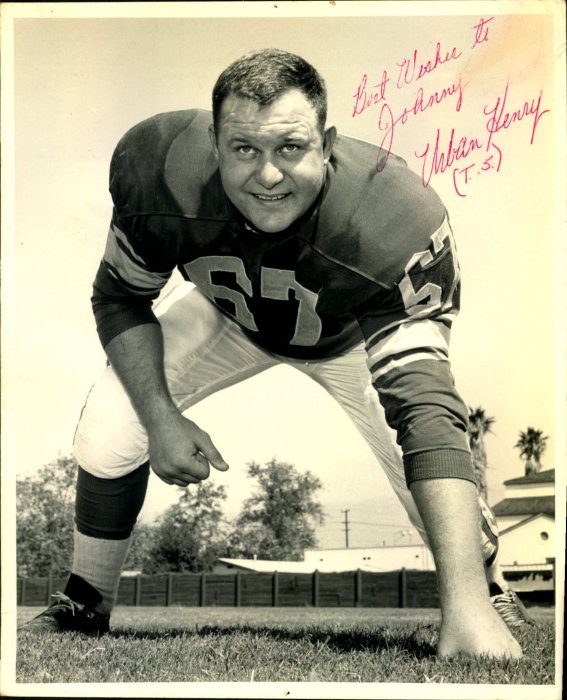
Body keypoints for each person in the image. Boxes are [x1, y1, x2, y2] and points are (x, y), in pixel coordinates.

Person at [22, 49, 532, 656]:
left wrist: (465, 609)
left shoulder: (394, 217)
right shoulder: (162, 167)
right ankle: (86, 598)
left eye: (291, 147)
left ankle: (485, 594)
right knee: (111, 420)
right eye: (244, 149)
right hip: (230, 313)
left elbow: (425, 405)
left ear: (327, 144)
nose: (268, 175)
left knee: (424, 476)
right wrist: (160, 418)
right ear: (213, 145)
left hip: (351, 336)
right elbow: (120, 297)